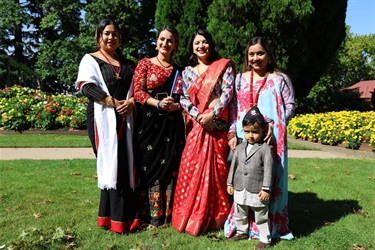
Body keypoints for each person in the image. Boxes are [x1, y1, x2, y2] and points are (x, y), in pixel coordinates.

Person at [225, 36, 295, 241]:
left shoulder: (280, 79)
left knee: (272, 179)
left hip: (272, 140)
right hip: (244, 139)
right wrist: (231, 132)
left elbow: (290, 105)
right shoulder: (240, 79)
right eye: (252, 54)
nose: (256, 58)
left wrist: (274, 124)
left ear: (269, 55)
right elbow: (233, 108)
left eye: (260, 53)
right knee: (244, 178)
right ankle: (242, 226)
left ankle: (269, 227)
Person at [75, 19, 139, 233]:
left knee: (124, 164)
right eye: (107, 34)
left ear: (120, 38)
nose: (111, 38)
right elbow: (86, 86)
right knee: (111, 164)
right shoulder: (90, 60)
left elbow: (137, 89)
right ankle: (113, 218)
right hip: (102, 118)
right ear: (98, 36)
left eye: (115, 34)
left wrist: (130, 103)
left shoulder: (128, 64)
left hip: (126, 118)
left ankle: (125, 218)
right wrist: (112, 102)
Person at [172, 29, 235, 236]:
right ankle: (189, 216)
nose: (201, 46)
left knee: (217, 169)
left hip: (216, 126)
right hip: (196, 125)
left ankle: (215, 218)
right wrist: (199, 115)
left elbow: (228, 93)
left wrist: (213, 114)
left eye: (205, 42)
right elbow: (182, 97)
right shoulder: (187, 72)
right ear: (192, 47)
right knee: (190, 164)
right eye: (197, 43)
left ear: (211, 45)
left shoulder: (223, 67)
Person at [133, 26, 185, 227]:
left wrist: (175, 105)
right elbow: (138, 92)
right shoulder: (145, 64)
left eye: (170, 40)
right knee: (150, 166)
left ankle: (168, 215)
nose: (165, 43)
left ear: (175, 45)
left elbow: (186, 99)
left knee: (171, 168)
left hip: (172, 125)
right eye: (162, 39)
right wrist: (159, 104)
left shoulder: (179, 71)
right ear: (156, 41)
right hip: (149, 124)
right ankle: (151, 215)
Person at [227, 106, 275, 249]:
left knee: (261, 215)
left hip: (257, 189)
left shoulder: (266, 149)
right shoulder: (240, 147)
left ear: (263, 132)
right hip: (240, 187)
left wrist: (266, 189)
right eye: (247, 132)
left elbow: (269, 170)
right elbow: (233, 166)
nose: (251, 135)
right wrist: (230, 183)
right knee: (240, 212)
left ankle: (265, 239)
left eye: (255, 132)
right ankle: (241, 231)